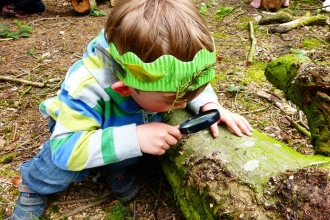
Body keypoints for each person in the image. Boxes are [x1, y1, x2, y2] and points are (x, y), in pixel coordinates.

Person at [10, 0, 253, 219]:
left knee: (138, 138)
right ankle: (34, 183)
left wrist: (208, 104)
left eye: (188, 96)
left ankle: (111, 165)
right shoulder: (86, 86)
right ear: (125, 89)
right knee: (60, 167)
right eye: (171, 100)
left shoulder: (161, 80)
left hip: (128, 116)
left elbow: (192, 84)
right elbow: (66, 150)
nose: (180, 105)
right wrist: (135, 138)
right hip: (76, 130)